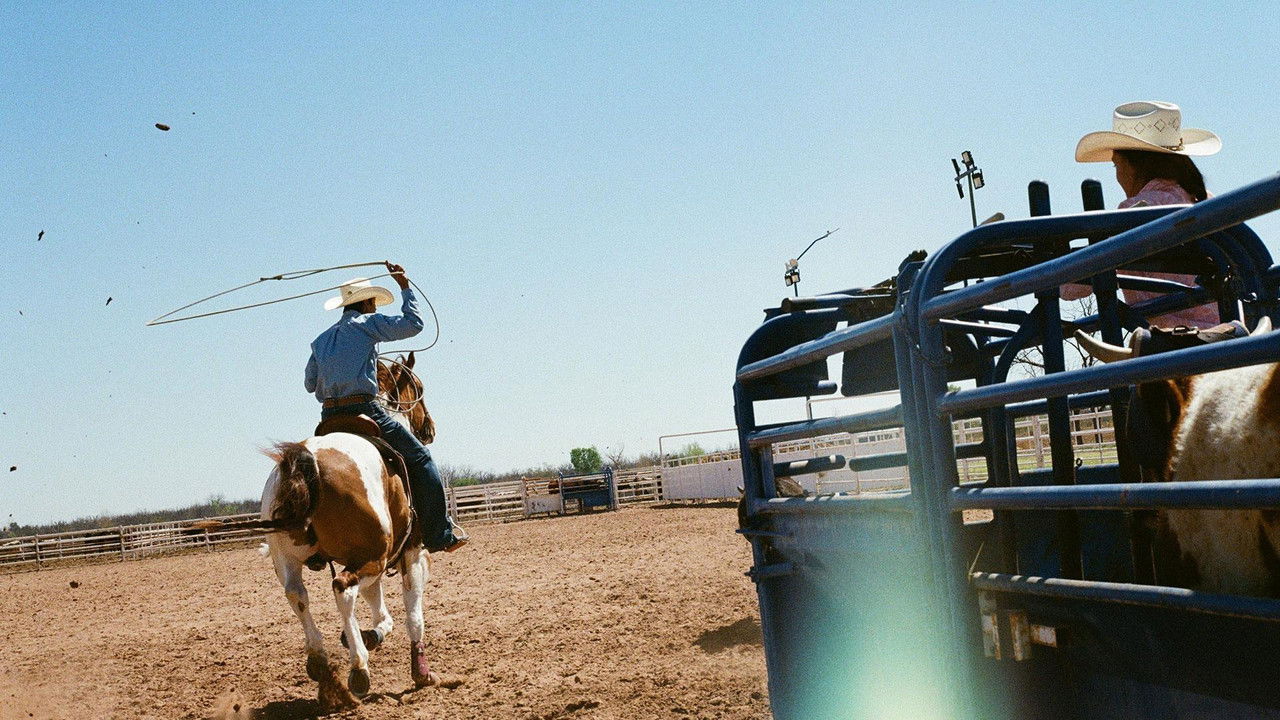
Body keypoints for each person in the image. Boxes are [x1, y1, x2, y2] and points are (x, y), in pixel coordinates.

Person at [305, 263, 467, 552]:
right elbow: (414, 325)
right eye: (373, 302)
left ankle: (314, 542)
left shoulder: (319, 340)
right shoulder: (368, 325)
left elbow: (309, 384)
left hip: (328, 416)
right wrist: (404, 286)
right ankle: (439, 534)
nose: (374, 306)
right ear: (366, 302)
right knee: (421, 459)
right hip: (365, 409)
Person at [1069, 100, 1222, 328]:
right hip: (1230, 329)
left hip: (1175, 343)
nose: (1118, 176)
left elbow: (1071, 287)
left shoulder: (1138, 212)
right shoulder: (1205, 201)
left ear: (1134, 166)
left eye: (1116, 166)